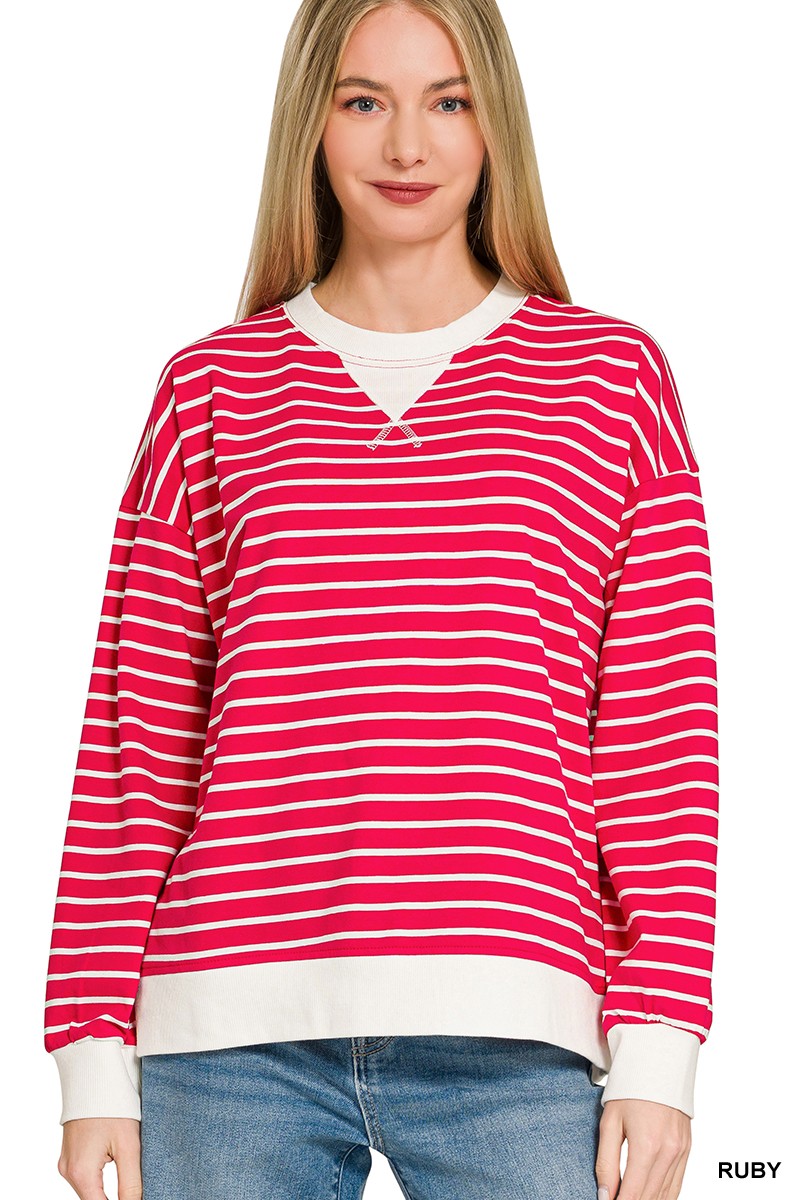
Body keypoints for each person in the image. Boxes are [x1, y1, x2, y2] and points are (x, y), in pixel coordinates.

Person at [44, 2, 718, 1198]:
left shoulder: (609, 380)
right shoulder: (209, 389)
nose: (407, 144)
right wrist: (92, 1053)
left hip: (517, 1026)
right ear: (311, 123)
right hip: (226, 1035)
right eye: (364, 101)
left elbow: (656, 739)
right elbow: (134, 748)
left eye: (447, 101)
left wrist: (661, 1045)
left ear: (493, 123)